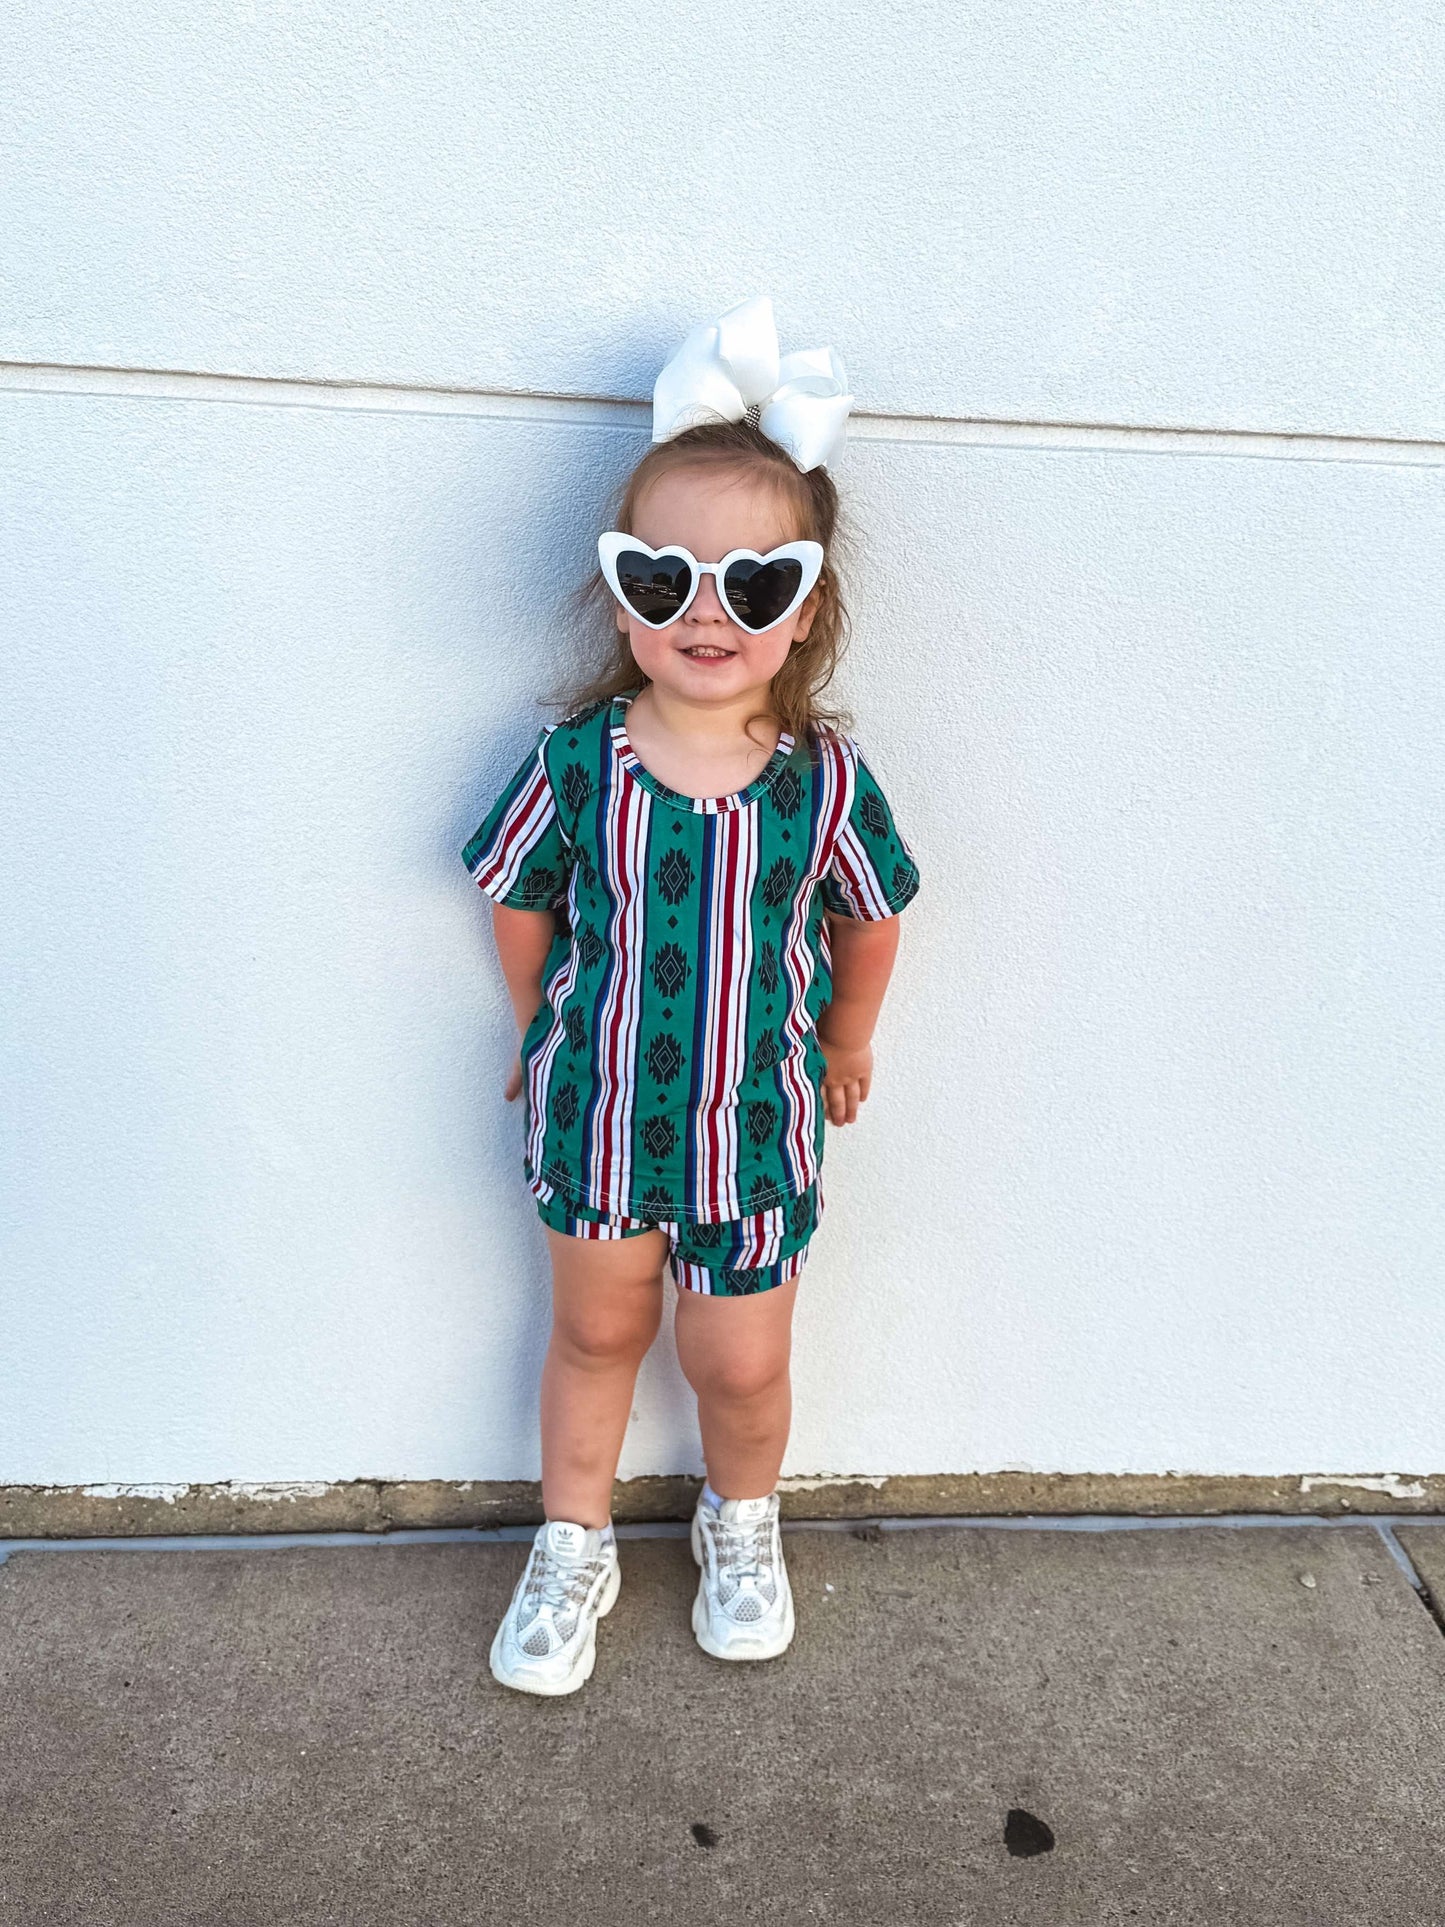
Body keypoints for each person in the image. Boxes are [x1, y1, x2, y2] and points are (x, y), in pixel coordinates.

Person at [461, 297, 921, 1695]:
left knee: (740, 1362)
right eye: (665, 579)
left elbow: (873, 915)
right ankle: (572, 1540)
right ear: (623, 598)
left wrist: (847, 1037)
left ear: (805, 610)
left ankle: (742, 1522)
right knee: (595, 1332)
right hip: (597, 1121)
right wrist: (534, 1022)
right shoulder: (575, 762)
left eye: (753, 585)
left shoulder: (823, 783)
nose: (706, 613)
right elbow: (517, 893)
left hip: (754, 1138)